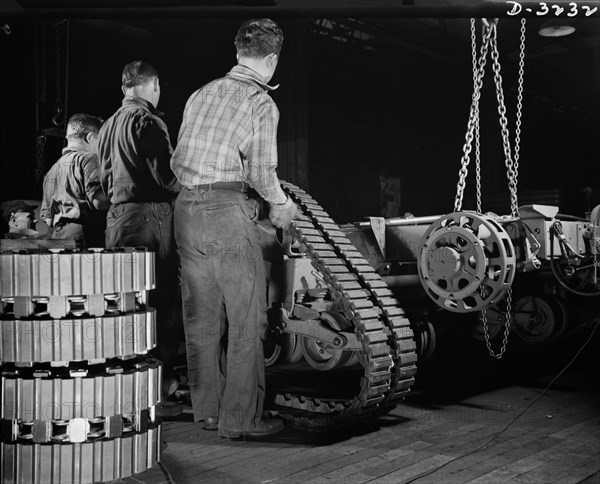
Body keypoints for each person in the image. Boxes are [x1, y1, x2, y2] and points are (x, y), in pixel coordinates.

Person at [171, 18, 297, 438]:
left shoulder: (200, 93)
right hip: (227, 209)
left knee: (202, 319)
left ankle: (206, 411)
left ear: (239, 51)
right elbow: (262, 173)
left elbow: (176, 159)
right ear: (272, 59)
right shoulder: (261, 103)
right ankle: (242, 419)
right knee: (247, 321)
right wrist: (281, 205)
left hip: (186, 210)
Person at [97, 60, 183, 415]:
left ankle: (128, 392)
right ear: (154, 84)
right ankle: (157, 392)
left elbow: (102, 182)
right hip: (149, 217)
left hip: (117, 219)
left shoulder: (106, 127)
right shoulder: (148, 121)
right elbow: (165, 176)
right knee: (161, 304)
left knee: (126, 306)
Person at [40, 113, 109, 247]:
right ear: (90, 137)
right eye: (101, 140)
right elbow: (99, 202)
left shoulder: (52, 171)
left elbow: (48, 220)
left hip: (57, 236)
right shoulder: (89, 159)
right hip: (83, 235)